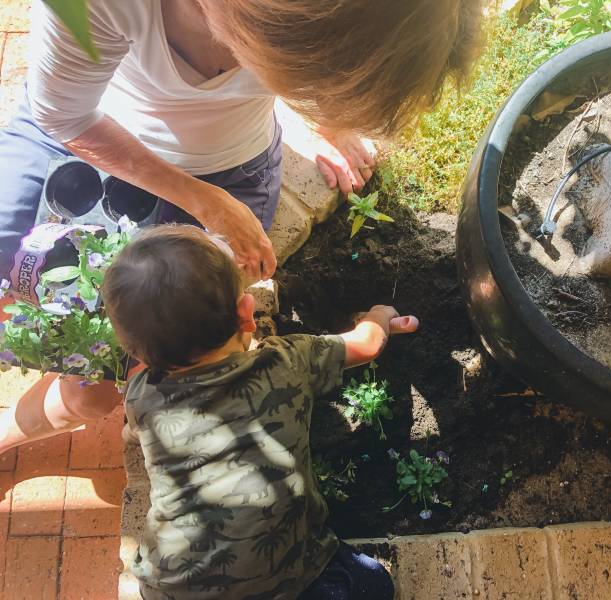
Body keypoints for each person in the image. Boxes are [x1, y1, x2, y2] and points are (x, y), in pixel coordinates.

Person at [0, 0, 481, 451]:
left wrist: (331, 115)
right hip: (80, 135)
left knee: (97, 390)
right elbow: (62, 112)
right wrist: (207, 203)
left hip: (229, 164)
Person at [99, 224, 418, 599]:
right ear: (247, 315)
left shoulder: (141, 397)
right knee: (373, 584)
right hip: (285, 576)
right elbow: (365, 345)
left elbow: (136, 425)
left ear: (135, 354)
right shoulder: (286, 362)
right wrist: (380, 316)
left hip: (174, 588)